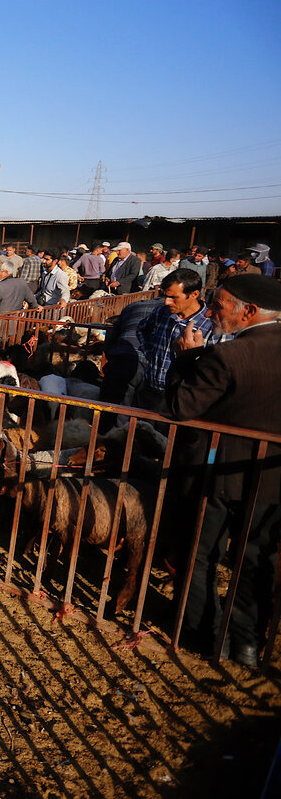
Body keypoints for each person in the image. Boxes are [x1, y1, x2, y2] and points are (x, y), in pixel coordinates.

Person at [166, 274, 281, 667]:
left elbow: (182, 408)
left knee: (200, 555)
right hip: (272, 478)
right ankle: (248, 644)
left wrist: (185, 358)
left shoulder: (226, 356)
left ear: (247, 311)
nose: (211, 312)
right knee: (256, 557)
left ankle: (207, 635)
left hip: (219, 476)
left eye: (219, 305)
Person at [134, 268, 218, 411]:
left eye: (174, 297)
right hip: (148, 390)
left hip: (180, 399)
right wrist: (150, 353)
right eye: (165, 296)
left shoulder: (211, 325)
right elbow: (142, 329)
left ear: (194, 294)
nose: (167, 302)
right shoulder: (162, 313)